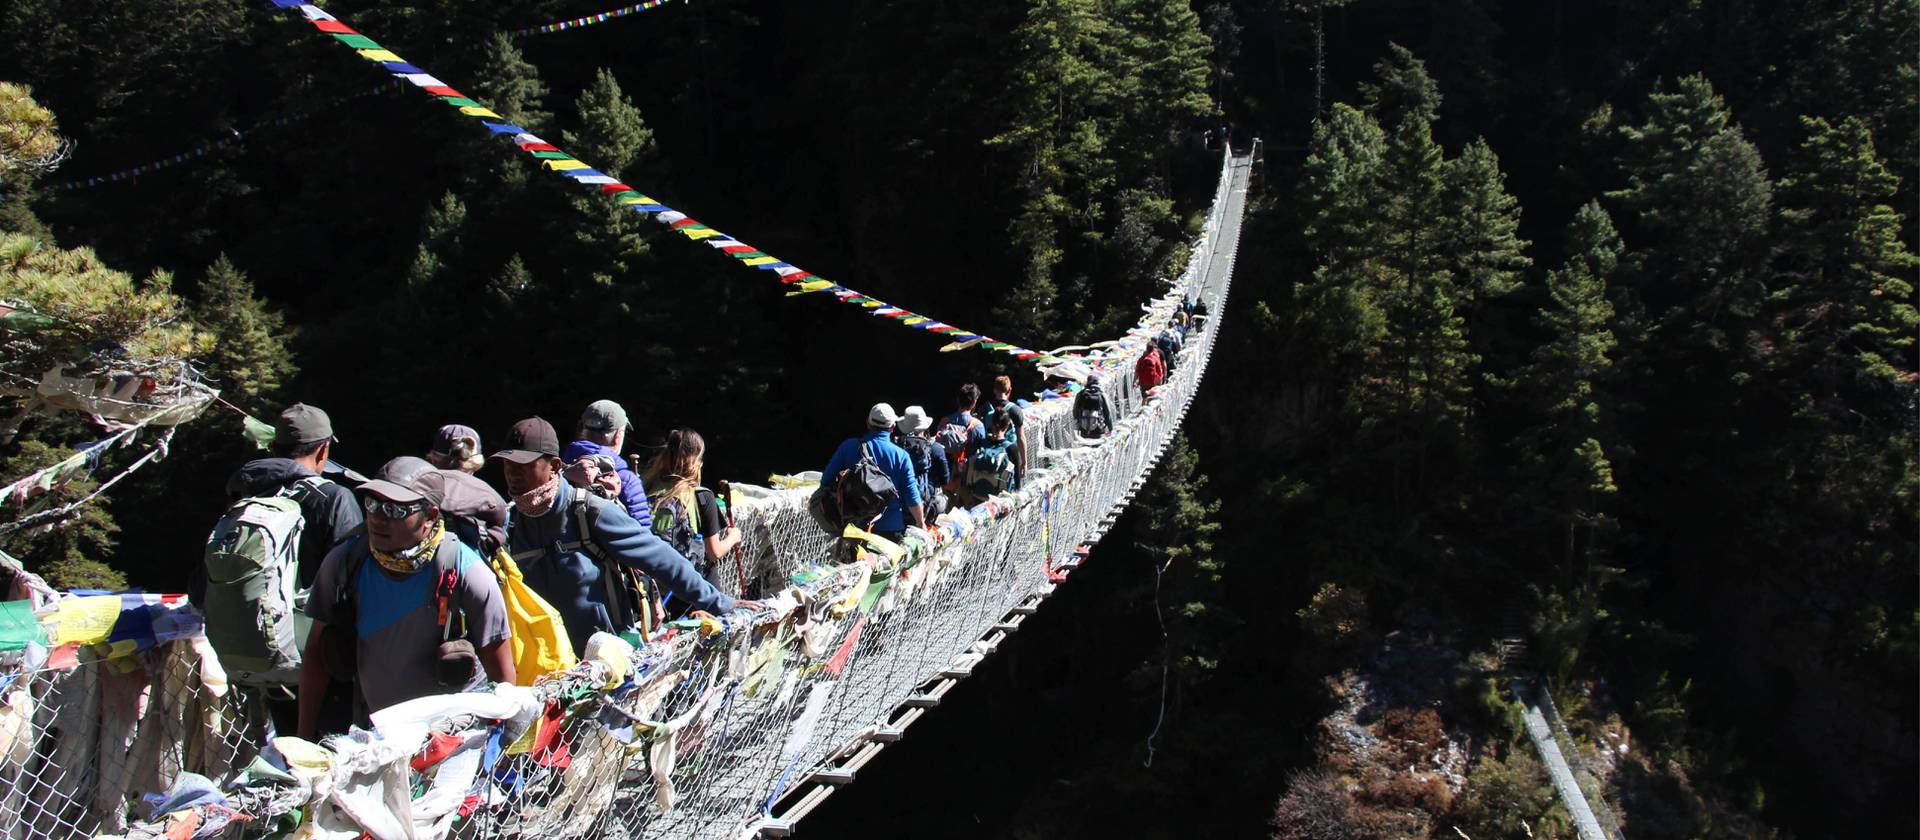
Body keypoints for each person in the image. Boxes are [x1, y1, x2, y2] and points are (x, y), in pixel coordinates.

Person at [297, 458, 513, 738]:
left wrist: (502, 746)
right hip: (379, 739)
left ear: (431, 516)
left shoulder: (466, 571)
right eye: (372, 504)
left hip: (455, 741)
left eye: (396, 509)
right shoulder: (345, 563)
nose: (378, 517)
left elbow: (503, 677)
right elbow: (315, 653)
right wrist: (302, 736)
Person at [498, 417, 744, 654]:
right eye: (508, 465)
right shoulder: (511, 525)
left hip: (607, 664)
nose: (512, 473)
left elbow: (660, 558)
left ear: (554, 467)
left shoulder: (587, 511)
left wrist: (720, 603)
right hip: (544, 668)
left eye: (524, 466)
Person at [225, 403, 364, 589]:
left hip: (236, 613)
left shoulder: (245, 488)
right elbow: (352, 579)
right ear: (323, 450)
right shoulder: (335, 498)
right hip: (300, 617)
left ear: (273, 447)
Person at [641, 428, 740, 584]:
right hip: (689, 585)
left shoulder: (647, 486)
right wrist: (733, 537)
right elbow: (714, 552)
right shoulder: (702, 496)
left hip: (651, 580)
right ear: (696, 459)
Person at [822, 403, 924, 542]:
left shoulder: (848, 447)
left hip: (852, 529)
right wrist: (921, 524)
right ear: (892, 428)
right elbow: (912, 495)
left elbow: (826, 480)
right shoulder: (901, 456)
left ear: (868, 423)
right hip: (889, 530)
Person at [563, 399, 652, 529]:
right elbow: (643, 534)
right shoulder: (625, 479)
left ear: (581, 429)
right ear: (618, 436)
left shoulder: (561, 468)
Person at [892, 406, 948, 519]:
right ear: (925, 428)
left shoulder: (895, 448)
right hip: (926, 505)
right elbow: (945, 479)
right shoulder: (936, 448)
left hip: (900, 505)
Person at [980, 376, 1028, 490]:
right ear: (1009, 390)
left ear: (994, 389)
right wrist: (1024, 462)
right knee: (1009, 486)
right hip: (1009, 454)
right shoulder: (1015, 410)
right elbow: (1021, 437)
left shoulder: (985, 408)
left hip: (988, 453)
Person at [934, 384, 986, 489]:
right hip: (967, 481)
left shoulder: (944, 422)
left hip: (945, 481)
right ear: (974, 403)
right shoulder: (978, 426)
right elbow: (982, 453)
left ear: (958, 400)